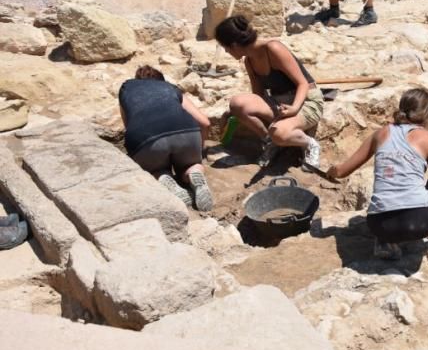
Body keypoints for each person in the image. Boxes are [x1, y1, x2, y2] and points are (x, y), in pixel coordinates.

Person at [324, 88, 428, 259]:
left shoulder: (381, 133)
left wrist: (331, 171)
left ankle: (385, 242)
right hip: (420, 223)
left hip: (379, 225)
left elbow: (341, 171)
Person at [215, 15, 324, 169]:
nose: (226, 51)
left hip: (306, 100)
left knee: (279, 133)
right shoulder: (249, 61)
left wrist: (294, 108)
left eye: (225, 47)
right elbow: (258, 96)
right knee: (237, 104)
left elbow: (303, 83)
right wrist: (235, 112)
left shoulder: (273, 48)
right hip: (281, 102)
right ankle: (270, 142)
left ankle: (310, 144)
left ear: (234, 45)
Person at [118, 65, 214, 211]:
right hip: (186, 131)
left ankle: (162, 177)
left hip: (146, 138)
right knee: (191, 165)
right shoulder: (169, 88)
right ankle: (194, 173)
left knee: (155, 170)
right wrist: (199, 150)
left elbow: (129, 126)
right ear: (160, 80)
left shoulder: (127, 89)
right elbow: (205, 122)